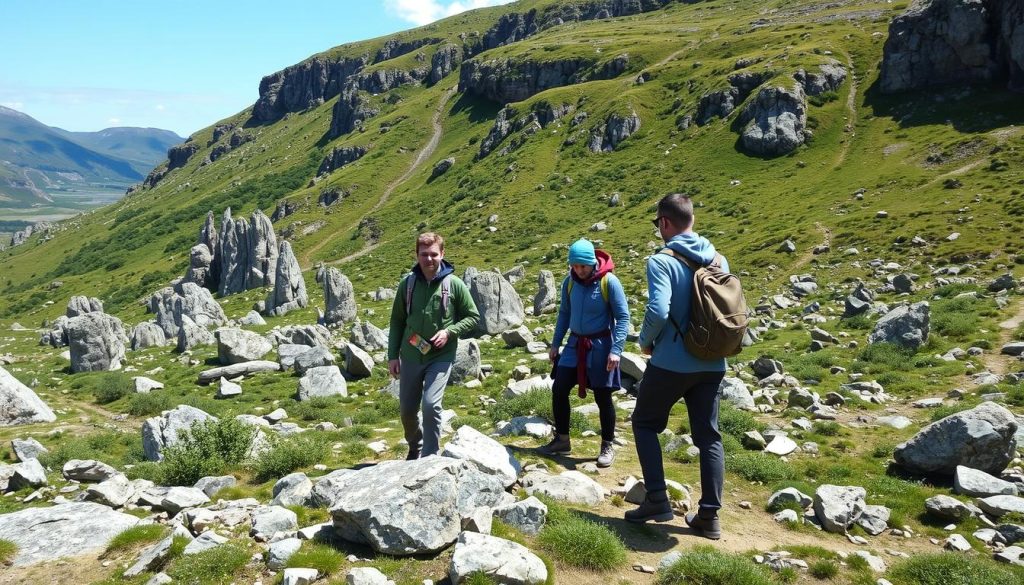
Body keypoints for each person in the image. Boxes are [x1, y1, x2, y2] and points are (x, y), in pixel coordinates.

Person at [625, 194, 730, 540]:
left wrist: (644, 341)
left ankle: (657, 498)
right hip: (712, 363)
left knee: (644, 423)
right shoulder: (718, 258)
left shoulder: (662, 260)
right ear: (692, 220)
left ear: (665, 223)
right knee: (709, 437)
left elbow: (658, 309)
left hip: (671, 362)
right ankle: (710, 517)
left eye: (658, 224)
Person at [388, 232, 479, 460]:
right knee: (407, 411)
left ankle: (430, 456)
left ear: (443, 254)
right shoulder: (407, 285)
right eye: (424, 254)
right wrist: (392, 356)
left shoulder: (454, 284)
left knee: (430, 405)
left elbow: (473, 316)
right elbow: (397, 321)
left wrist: (450, 332)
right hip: (410, 354)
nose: (428, 259)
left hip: (440, 356)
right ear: (417, 255)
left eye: (433, 254)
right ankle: (415, 445)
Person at [543, 238, 629, 467]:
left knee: (603, 397)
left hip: (601, 347)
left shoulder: (609, 282)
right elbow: (564, 313)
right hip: (574, 345)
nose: (579, 270)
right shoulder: (569, 283)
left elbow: (623, 318)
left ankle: (607, 445)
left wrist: (616, 350)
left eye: (583, 266)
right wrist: (555, 344)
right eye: (574, 266)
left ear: (592, 262)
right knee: (559, 388)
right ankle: (562, 439)